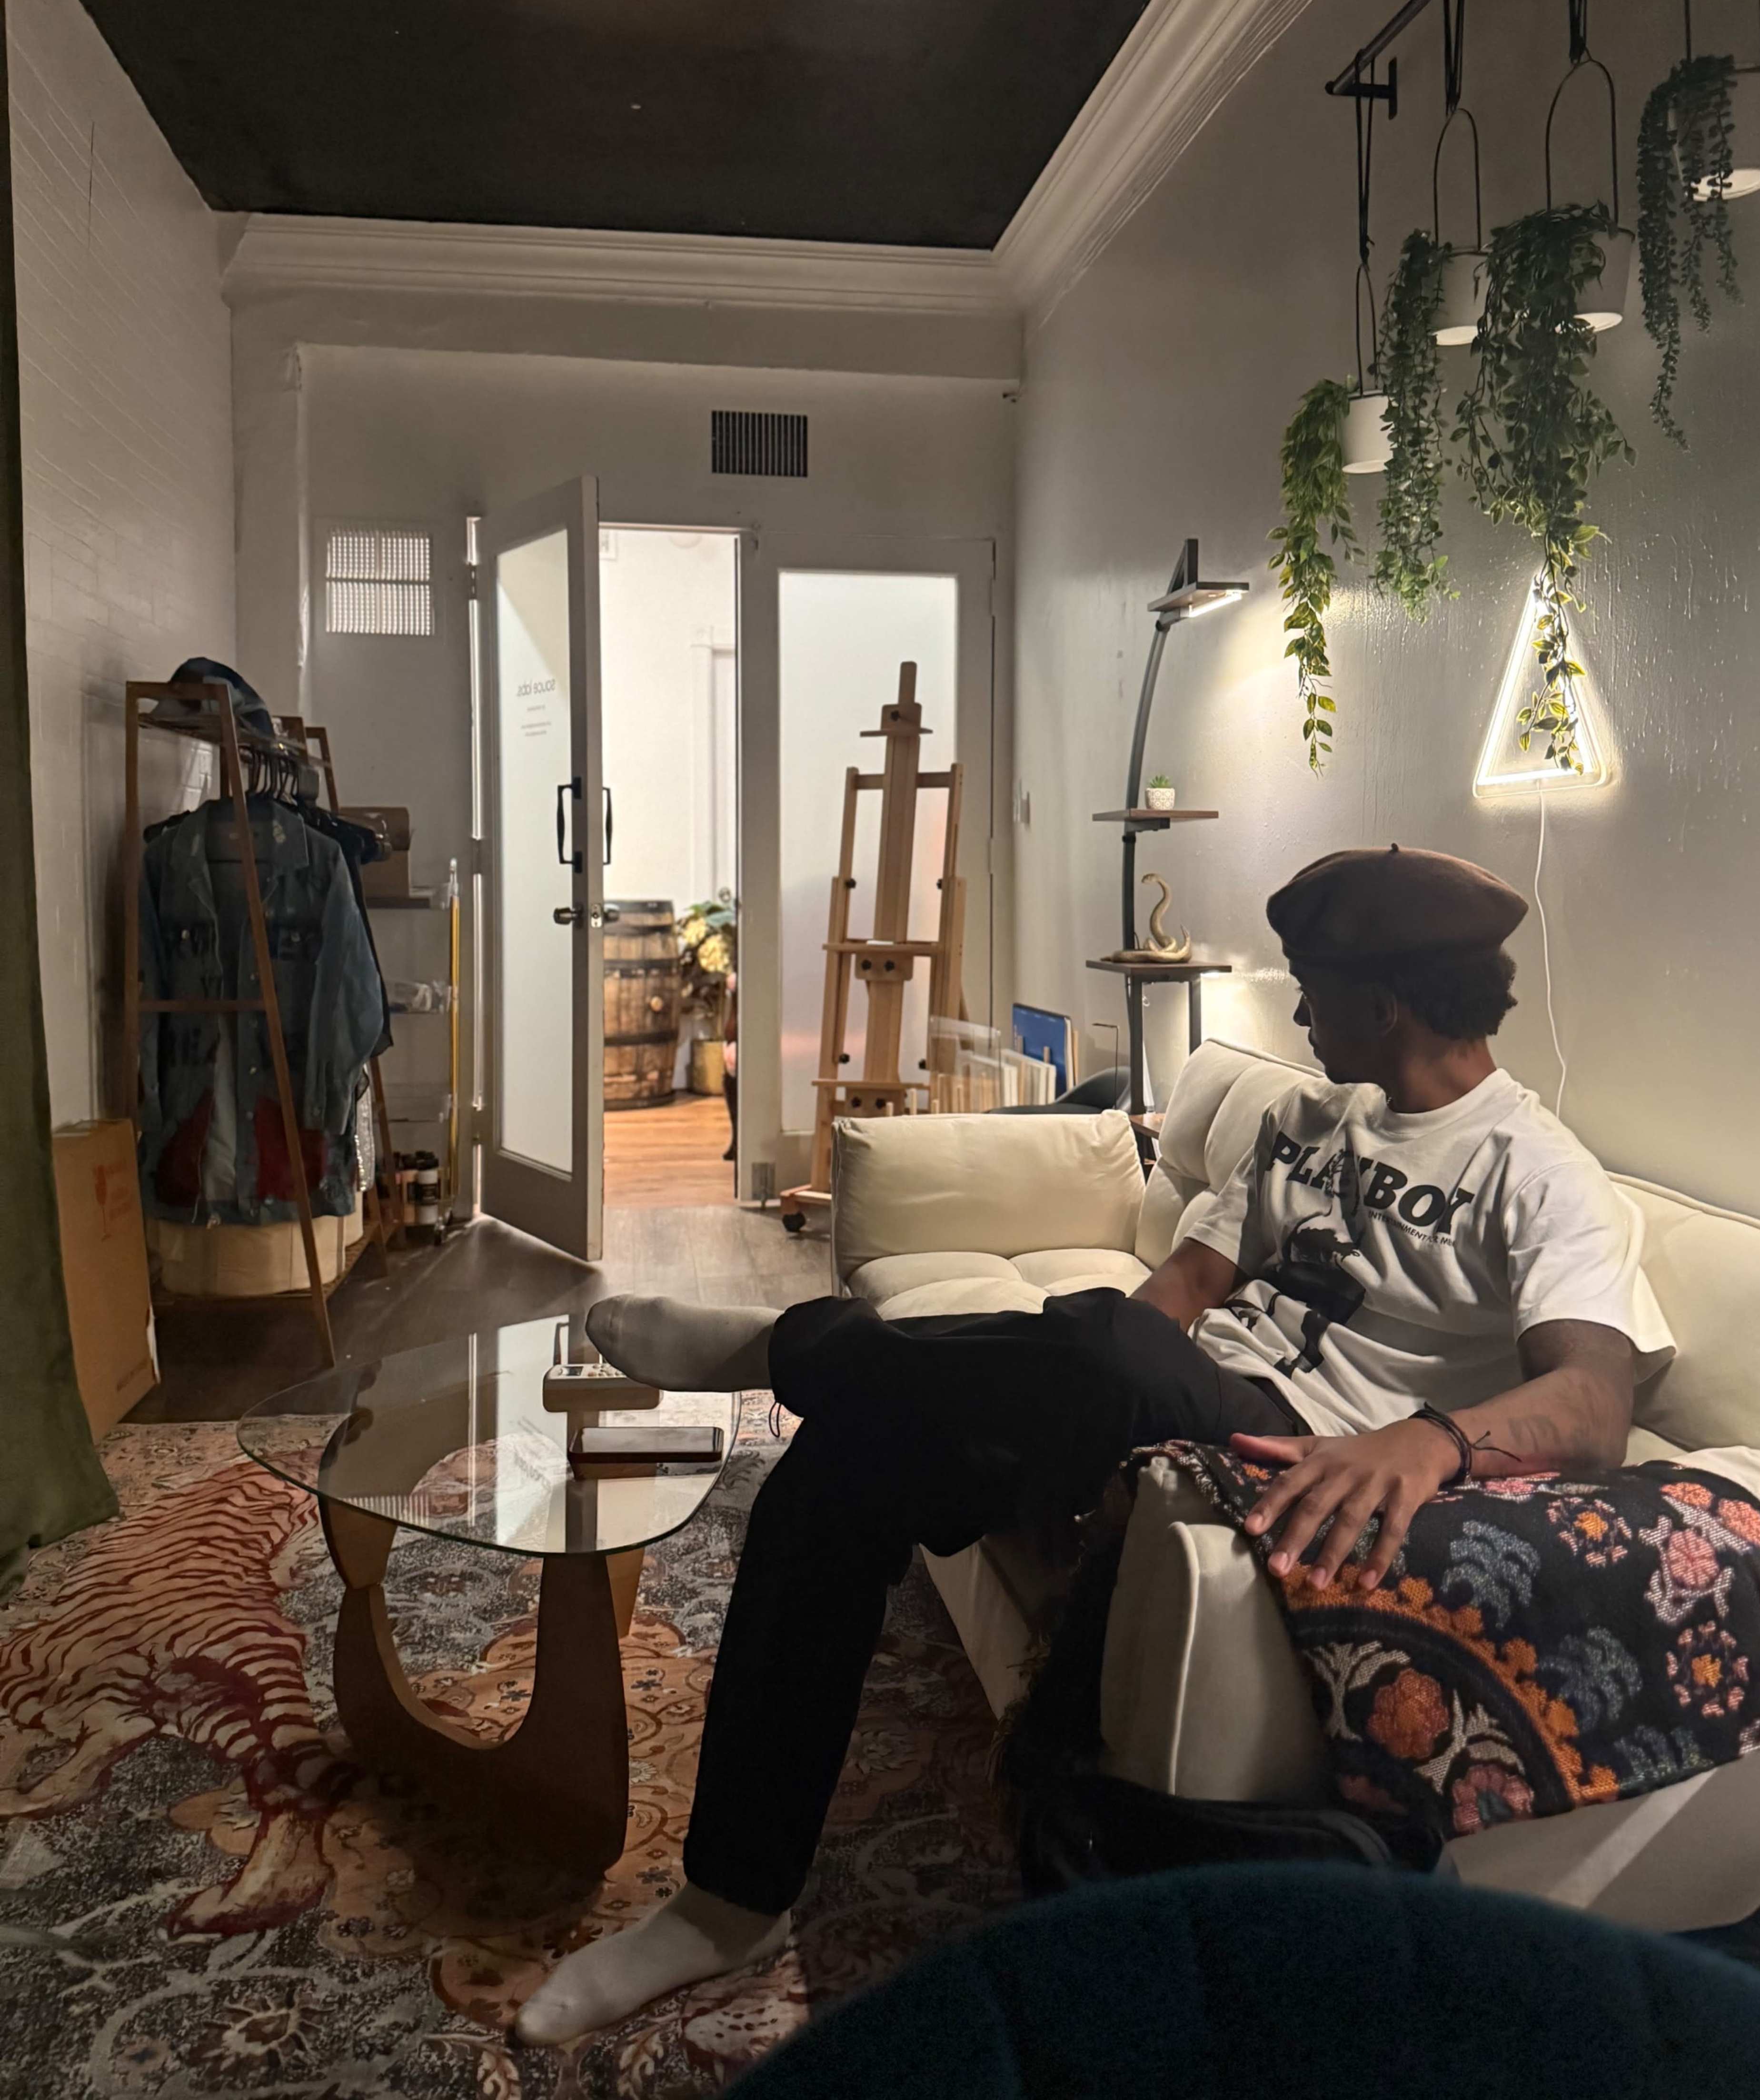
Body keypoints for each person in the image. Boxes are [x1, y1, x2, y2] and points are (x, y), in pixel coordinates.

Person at [515, 845, 1672, 2047]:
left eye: (1310, 985)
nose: (1297, 1009)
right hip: (1167, 1404)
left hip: (1295, 1453)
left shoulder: (1537, 1173)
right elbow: (1181, 1283)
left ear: (1386, 1003)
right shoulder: (1308, 1118)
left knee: (1112, 1354)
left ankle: (793, 1350)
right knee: (841, 1469)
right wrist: (1070, 1419)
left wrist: (1431, 1441)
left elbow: (1593, 1403)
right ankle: (726, 1900)